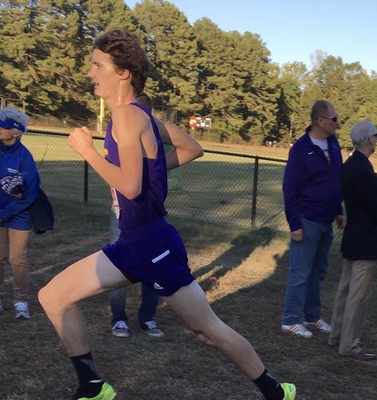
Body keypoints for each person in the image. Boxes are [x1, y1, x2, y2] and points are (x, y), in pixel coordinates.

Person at [38, 30, 295, 400]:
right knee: (54, 296)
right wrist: (152, 172)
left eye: (97, 65)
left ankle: (273, 390)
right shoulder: (143, 116)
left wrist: (87, 152)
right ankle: (92, 386)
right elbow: (192, 147)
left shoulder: (126, 117)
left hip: (153, 246)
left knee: (207, 330)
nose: (90, 72)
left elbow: (129, 186)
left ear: (123, 72)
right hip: (131, 245)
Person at [108, 92, 189, 339]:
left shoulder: (156, 136)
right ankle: (119, 318)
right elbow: (119, 177)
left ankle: (147, 318)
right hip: (121, 215)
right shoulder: (119, 132)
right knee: (117, 267)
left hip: (150, 217)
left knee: (153, 268)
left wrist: (152, 174)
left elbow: (185, 160)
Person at [328, 120, 377, 361]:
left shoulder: (349, 166)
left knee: (345, 290)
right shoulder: (363, 169)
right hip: (366, 239)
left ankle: (336, 336)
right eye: (375, 136)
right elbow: (374, 206)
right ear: (368, 140)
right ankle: (350, 345)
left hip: (354, 236)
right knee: (358, 294)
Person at [281, 100, 344, 339]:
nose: (337, 123)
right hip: (306, 219)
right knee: (300, 273)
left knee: (319, 272)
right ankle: (290, 319)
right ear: (320, 121)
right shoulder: (301, 148)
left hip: (327, 220)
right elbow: (289, 188)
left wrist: (338, 209)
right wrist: (294, 224)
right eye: (334, 119)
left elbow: (334, 180)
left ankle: (312, 315)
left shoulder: (334, 144)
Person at [0, 107, 41, 318]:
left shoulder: (25, 157)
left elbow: (29, 194)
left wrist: (4, 214)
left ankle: (21, 302)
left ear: (16, 132)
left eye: (4, 127)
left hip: (19, 216)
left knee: (17, 259)